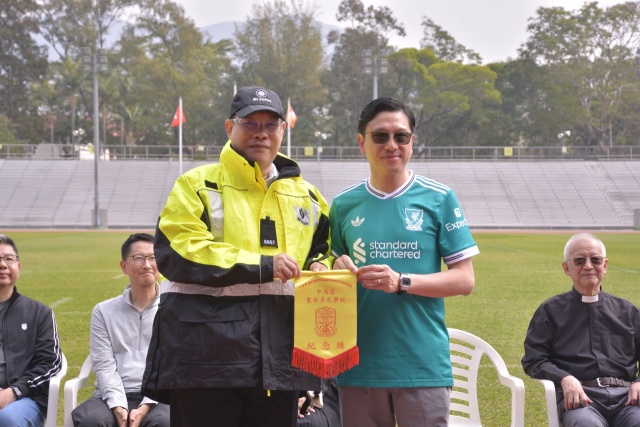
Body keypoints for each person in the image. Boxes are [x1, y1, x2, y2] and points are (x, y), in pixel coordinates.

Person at [142, 86, 332, 427]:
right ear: (230, 127)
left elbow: (325, 249)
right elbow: (178, 252)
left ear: (282, 130)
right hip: (206, 356)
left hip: (280, 355)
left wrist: (324, 265)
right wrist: (262, 266)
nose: (261, 133)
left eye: (270, 124)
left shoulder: (309, 196)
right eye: (250, 123)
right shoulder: (195, 184)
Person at [329, 97, 479, 427]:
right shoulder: (342, 205)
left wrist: (401, 281)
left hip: (421, 364)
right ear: (361, 143)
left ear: (412, 141)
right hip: (358, 365)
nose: (391, 145)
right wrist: (333, 268)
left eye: (401, 136)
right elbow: (327, 268)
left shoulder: (439, 198)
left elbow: (464, 280)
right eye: (380, 136)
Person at [522, 233, 640, 427]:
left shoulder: (628, 311)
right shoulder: (550, 311)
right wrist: (565, 378)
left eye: (595, 260)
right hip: (581, 400)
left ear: (605, 265)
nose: (588, 266)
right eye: (579, 261)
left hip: (628, 400)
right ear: (566, 268)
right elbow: (534, 359)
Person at [72, 233, 169, 427]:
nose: (147, 265)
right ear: (124, 266)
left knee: (165, 422)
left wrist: (145, 406)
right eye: (138, 258)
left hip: (159, 396)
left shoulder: (172, 310)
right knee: (91, 421)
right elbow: (104, 365)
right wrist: (118, 406)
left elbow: (170, 364)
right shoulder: (103, 311)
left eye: (153, 257)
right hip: (109, 396)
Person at [0, 234, 63, 427]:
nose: (2, 265)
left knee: (8, 420)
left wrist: (15, 391)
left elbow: (50, 362)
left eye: (8, 259)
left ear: (18, 266)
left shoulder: (39, 313)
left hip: (24, 398)